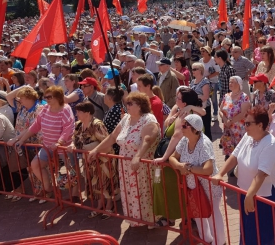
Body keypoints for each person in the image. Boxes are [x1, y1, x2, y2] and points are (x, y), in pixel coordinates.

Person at [211, 106, 275, 245]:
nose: (245, 126)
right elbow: (234, 156)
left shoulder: (270, 144)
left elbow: (261, 174)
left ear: (260, 125)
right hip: (247, 194)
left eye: (248, 123)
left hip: (264, 197)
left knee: (265, 236)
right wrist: (220, 174)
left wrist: (250, 195)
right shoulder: (248, 136)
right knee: (248, 233)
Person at [87, 92, 160, 228]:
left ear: (140, 105)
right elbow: (113, 137)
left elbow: (147, 140)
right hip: (125, 165)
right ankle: (136, 219)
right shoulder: (126, 118)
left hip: (141, 166)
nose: (127, 106)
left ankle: (149, 220)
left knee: (144, 193)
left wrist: (137, 157)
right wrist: (97, 150)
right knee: (130, 193)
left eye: (130, 103)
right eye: (126, 103)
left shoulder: (148, 119)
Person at [153, 87, 206, 226]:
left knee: (178, 188)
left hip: (180, 159)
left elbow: (176, 137)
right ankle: (183, 217)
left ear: (185, 102)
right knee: (181, 188)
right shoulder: (184, 112)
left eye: (178, 98)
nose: (175, 100)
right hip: (184, 158)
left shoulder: (187, 116)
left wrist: (164, 157)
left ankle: (184, 217)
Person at [169, 114, 225, 245]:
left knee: (212, 214)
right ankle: (206, 240)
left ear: (194, 129)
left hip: (209, 186)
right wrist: (178, 165)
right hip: (194, 186)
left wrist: (187, 169)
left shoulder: (204, 143)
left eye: (184, 125)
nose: (181, 128)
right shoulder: (184, 140)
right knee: (198, 214)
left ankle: (220, 242)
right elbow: (172, 157)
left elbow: (208, 169)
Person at [14, 86, 75, 202]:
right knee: (35, 165)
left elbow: (68, 128)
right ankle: (49, 189)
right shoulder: (46, 108)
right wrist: (22, 139)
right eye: (45, 96)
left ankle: (74, 196)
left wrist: (59, 142)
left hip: (63, 147)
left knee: (70, 172)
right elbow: (35, 126)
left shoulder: (65, 109)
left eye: (49, 97)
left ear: (58, 97)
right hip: (47, 146)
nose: (46, 99)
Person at [67, 101, 118, 219]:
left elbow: (107, 142)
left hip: (104, 159)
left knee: (105, 183)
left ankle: (109, 205)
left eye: (79, 111)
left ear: (88, 113)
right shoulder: (78, 125)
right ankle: (100, 205)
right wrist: (73, 145)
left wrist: (94, 149)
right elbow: (75, 139)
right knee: (95, 184)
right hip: (89, 160)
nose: (77, 113)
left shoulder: (97, 125)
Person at [4, 86, 44, 201]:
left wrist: (17, 139)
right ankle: (37, 192)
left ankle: (46, 192)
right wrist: (25, 86)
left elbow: (32, 128)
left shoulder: (39, 108)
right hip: (24, 144)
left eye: (21, 97)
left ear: (28, 97)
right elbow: (8, 96)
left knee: (41, 168)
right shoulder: (23, 107)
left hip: (36, 142)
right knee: (30, 169)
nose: (19, 100)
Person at [219, 76, 251, 162]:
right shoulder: (226, 96)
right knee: (229, 145)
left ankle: (238, 166)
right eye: (229, 82)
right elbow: (220, 110)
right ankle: (230, 164)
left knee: (239, 148)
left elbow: (243, 113)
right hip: (228, 127)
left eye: (232, 82)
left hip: (239, 128)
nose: (230, 84)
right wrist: (225, 120)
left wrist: (231, 121)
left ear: (239, 84)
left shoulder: (244, 97)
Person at [189, 63, 211, 140]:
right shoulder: (192, 81)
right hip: (195, 108)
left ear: (200, 70)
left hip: (204, 109)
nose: (193, 71)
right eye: (192, 69)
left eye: (195, 69)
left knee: (206, 130)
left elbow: (206, 96)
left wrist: (194, 97)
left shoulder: (205, 81)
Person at [199, 45, 220, 121]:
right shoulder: (201, 60)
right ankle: (206, 113)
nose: (202, 53)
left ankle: (215, 114)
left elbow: (218, 72)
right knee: (204, 98)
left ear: (208, 52)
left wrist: (208, 77)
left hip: (212, 83)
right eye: (201, 51)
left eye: (204, 51)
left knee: (213, 99)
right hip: (203, 83)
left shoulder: (213, 60)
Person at [103, 87, 124, 155]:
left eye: (105, 94)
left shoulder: (115, 110)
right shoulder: (113, 109)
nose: (104, 96)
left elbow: (112, 131)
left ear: (110, 98)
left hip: (115, 147)